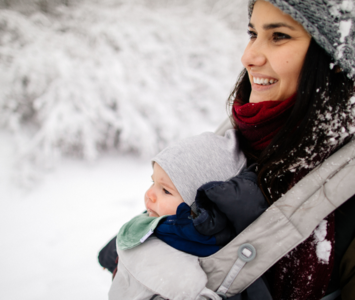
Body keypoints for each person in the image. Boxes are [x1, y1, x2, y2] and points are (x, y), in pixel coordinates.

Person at [220, 1, 355, 299]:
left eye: (278, 35)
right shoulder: (227, 143)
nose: (248, 56)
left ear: (333, 57)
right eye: (252, 33)